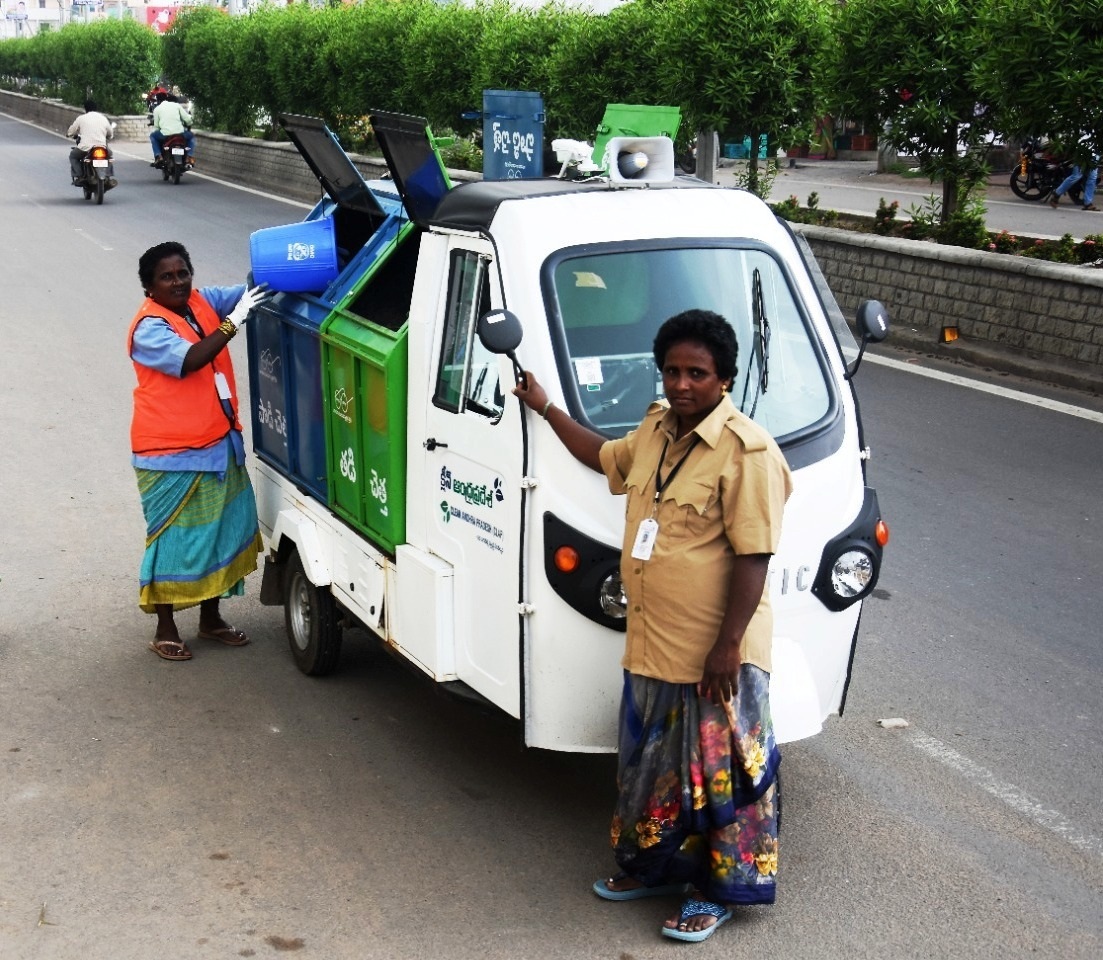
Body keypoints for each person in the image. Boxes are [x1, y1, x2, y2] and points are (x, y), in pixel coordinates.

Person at [513, 309, 793, 943]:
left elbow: (753, 556)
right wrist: (546, 407)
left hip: (714, 652)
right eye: (672, 370)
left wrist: (727, 647)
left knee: (719, 777)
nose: (682, 384)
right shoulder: (656, 429)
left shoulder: (747, 453)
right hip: (652, 642)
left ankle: (715, 893)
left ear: (724, 379)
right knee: (652, 768)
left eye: (697, 373)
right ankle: (659, 869)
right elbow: (601, 456)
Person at [128, 242, 273, 661]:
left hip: (218, 442)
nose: (178, 282)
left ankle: (211, 619)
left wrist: (288, 264)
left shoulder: (200, 301)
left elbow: (254, 286)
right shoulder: (148, 329)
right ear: (149, 286)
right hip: (170, 454)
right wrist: (233, 323)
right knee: (174, 541)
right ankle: (165, 628)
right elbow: (192, 359)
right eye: (167, 277)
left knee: (221, 532)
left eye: (183, 273)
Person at [66, 99, 114, 186]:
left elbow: (71, 131)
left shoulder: (81, 118)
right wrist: (108, 137)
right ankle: (108, 176)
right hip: (102, 146)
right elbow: (110, 133)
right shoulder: (103, 118)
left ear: (85, 109)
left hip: (86, 147)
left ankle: (80, 176)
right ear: (96, 108)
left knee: (73, 156)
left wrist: (69, 134)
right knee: (109, 156)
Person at [150, 94, 196, 167]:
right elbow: (187, 119)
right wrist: (189, 123)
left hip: (165, 134)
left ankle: (159, 156)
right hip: (180, 133)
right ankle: (189, 157)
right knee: (192, 137)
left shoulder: (157, 109)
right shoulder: (177, 106)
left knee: (153, 136)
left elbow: (157, 126)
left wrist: (159, 129)